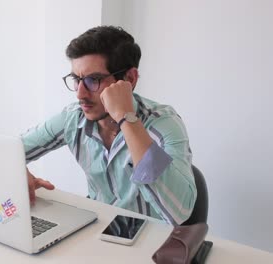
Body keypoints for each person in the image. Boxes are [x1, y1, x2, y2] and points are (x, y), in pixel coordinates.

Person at [21, 26, 196, 226]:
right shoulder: (73, 118)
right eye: (76, 80)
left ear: (129, 79)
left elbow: (180, 212)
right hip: (97, 230)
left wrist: (126, 117)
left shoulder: (163, 122)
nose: (80, 93)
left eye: (93, 80)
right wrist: (19, 172)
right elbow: (6, 151)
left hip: (150, 239)